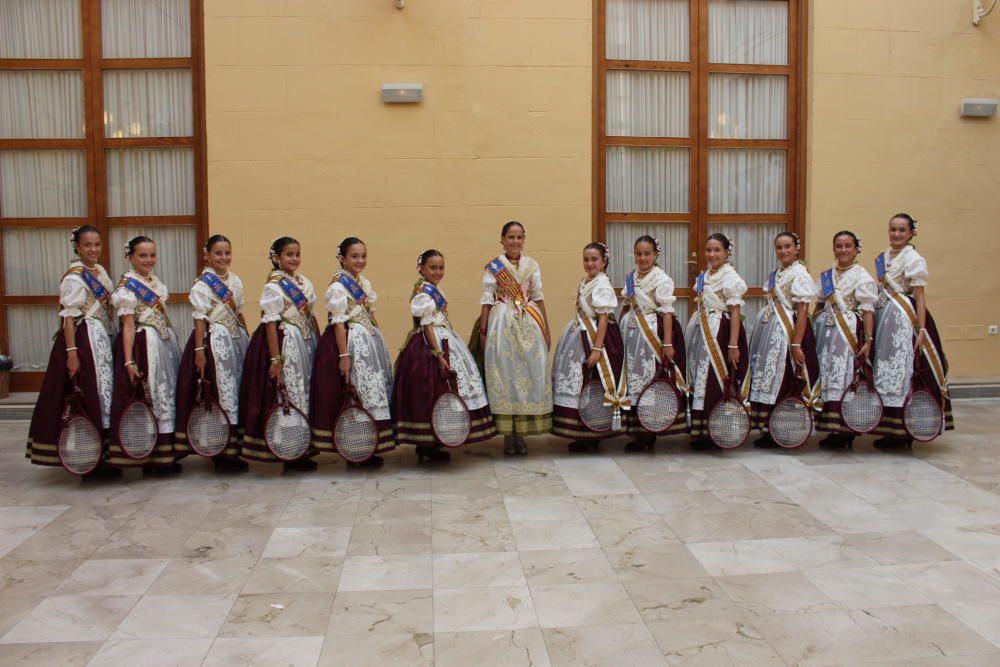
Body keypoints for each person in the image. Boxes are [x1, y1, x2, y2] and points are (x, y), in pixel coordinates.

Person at [26, 226, 119, 477]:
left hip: (102, 338)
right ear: (77, 247)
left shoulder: (99, 272)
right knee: (87, 395)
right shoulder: (74, 277)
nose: (93, 250)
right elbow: (68, 318)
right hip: (83, 341)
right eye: (88, 245)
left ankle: (106, 455)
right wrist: (72, 353)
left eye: (97, 244)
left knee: (104, 395)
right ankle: (88, 459)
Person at [393, 250, 496, 461]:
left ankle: (437, 439)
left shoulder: (433, 290)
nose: (438, 272)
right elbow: (427, 325)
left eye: (441, 268)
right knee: (430, 390)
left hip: (444, 337)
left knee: (439, 392)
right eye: (433, 268)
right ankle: (427, 442)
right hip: (429, 344)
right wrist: (438, 353)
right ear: (421, 268)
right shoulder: (423, 292)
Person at [311, 237, 395, 466]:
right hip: (350, 344)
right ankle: (354, 450)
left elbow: (370, 312)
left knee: (368, 394)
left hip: (367, 343)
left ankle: (368, 446)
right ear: (343, 258)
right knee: (353, 393)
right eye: (355, 256)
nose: (360, 260)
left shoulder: (363, 283)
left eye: (363, 256)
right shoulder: (338, 286)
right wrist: (344, 356)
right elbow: (338, 322)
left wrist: (378, 336)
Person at [871, 213, 953, 448]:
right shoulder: (884, 257)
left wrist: (922, 329)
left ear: (910, 233)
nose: (896, 234)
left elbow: (919, 297)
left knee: (905, 373)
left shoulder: (913, 259)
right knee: (885, 371)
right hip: (884, 321)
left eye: (901, 230)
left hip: (905, 322)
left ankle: (904, 432)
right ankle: (889, 429)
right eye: (892, 229)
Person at [239, 237, 320, 471]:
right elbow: (271, 324)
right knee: (289, 394)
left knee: (304, 393)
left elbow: (311, 316)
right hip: (287, 345)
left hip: (306, 343)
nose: (294, 259)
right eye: (289, 254)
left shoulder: (304, 283)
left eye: (297, 254)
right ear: (276, 257)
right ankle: (289, 451)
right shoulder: (273, 286)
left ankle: (304, 447)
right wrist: (276, 359)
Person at [174, 235, 250, 471]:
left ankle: (236, 447)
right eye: (218, 253)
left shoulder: (235, 280)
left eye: (227, 252)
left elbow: (239, 313)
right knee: (220, 393)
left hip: (235, 340)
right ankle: (220, 450)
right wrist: (199, 351)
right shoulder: (202, 285)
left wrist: (247, 336)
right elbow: (199, 320)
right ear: (207, 254)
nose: (223, 257)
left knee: (237, 390)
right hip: (214, 342)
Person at [108, 235, 183, 474]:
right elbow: (128, 326)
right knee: (149, 395)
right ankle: (149, 456)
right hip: (144, 346)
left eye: (152, 255)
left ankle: (165, 454)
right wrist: (128, 359)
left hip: (162, 344)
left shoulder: (154, 282)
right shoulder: (127, 287)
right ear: (130, 257)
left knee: (165, 394)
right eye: (142, 255)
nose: (148, 260)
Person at [479, 221, 553, 455]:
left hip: (529, 321)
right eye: (511, 237)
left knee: (527, 373)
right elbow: (487, 299)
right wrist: (483, 330)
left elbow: (538, 297)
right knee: (506, 375)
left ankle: (521, 434)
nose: (515, 241)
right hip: (502, 322)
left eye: (519, 237)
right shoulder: (494, 267)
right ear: (502, 239)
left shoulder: (532, 265)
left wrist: (546, 329)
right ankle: (507, 436)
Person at [747, 231, 820, 447]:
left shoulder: (800, 274)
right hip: (769, 332)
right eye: (779, 247)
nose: (783, 251)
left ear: (797, 248)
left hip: (786, 335)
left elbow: (803, 310)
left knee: (784, 380)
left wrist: (796, 344)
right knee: (768, 378)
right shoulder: (776, 273)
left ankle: (784, 431)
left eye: (787, 246)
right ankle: (768, 429)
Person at [551, 242, 625, 452]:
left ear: (604, 262)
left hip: (597, 339)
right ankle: (580, 431)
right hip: (579, 335)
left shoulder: (602, 285)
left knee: (594, 383)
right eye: (586, 259)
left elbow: (603, 319)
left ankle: (594, 433)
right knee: (579, 383)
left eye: (594, 259)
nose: (590, 263)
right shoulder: (585, 281)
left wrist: (597, 349)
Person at [619, 235, 688, 451]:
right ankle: (636, 429)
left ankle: (650, 431)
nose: (642, 258)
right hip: (630, 334)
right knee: (633, 378)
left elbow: (667, 312)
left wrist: (667, 343)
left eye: (647, 253)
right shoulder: (631, 278)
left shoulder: (661, 279)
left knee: (649, 379)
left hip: (651, 336)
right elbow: (626, 305)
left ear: (656, 254)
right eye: (638, 254)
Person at [813, 231, 878, 449]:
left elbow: (867, 310)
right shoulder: (827, 275)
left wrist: (868, 340)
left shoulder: (862, 276)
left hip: (848, 334)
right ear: (833, 249)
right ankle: (831, 427)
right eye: (839, 246)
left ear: (856, 248)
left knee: (844, 377)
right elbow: (820, 304)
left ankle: (845, 430)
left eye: (848, 246)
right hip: (827, 333)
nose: (843, 250)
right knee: (828, 375)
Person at [685, 233, 748, 450]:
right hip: (702, 330)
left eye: (717, 250)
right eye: (708, 250)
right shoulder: (704, 276)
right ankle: (701, 431)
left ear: (726, 252)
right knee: (702, 378)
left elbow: (735, 312)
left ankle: (718, 433)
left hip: (720, 332)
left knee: (716, 379)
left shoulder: (730, 277)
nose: (712, 255)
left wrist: (732, 345)